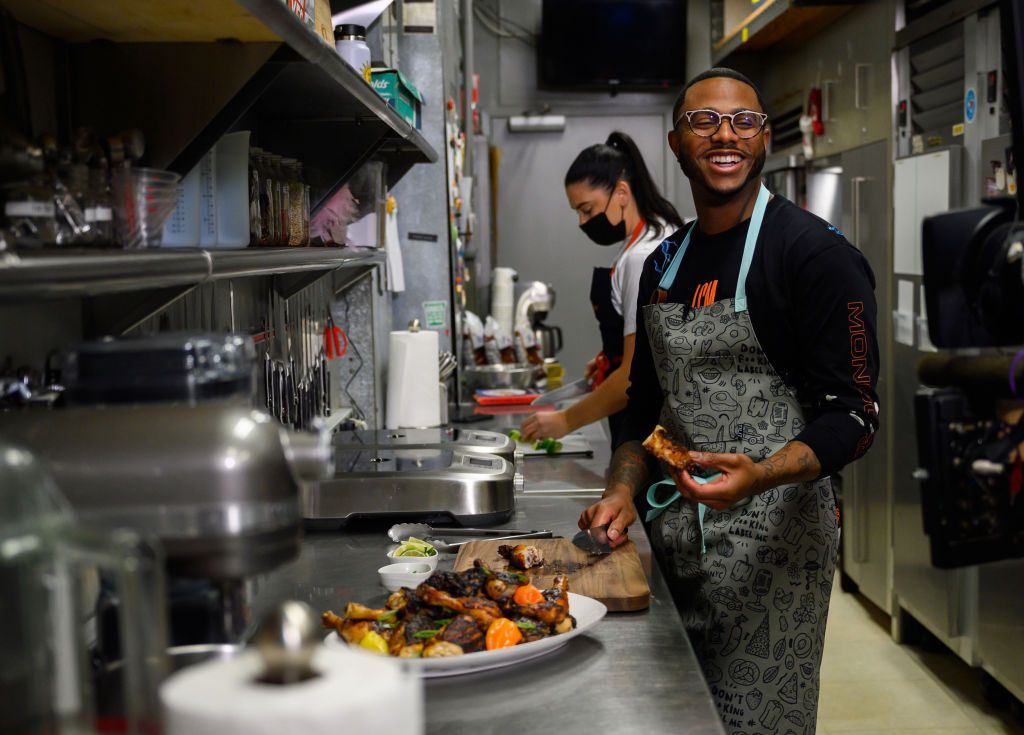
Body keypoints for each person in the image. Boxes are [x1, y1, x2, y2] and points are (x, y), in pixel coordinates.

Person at [577, 68, 880, 732]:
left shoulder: (816, 257)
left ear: (765, 139)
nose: (725, 135)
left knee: (756, 724)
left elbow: (855, 416)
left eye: (743, 121)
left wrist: (762, 474)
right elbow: (642, 404)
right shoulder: (664, 265)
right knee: (676, 716)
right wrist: (625, 487)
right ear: (676, 142)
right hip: (675, 541)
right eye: (704, 121)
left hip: (775, 549)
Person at [519, 131, 683, 448]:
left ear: (621, 192)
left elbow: (633, 377)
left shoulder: (641, 258)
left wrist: (565, 420)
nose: (583, 222)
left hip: (650, 432)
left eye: (588, 209)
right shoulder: (661, 233)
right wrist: (612, 354)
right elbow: (655, 346)